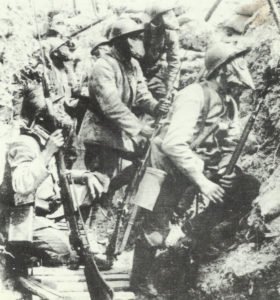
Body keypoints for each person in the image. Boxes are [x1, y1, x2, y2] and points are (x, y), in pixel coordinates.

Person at [130, 42, 261, 297]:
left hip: (198, 167)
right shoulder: (193, 95)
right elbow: (173, 144)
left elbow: (230, 141)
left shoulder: (229, 102)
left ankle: (192, 238)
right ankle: (141, 282)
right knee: (156, 232)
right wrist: (203, 182)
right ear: (222, 71)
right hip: (166, 168)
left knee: (246, 186)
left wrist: (227, 169)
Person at [3, 86, 110, 268]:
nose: (63, 115)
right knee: (63, 250)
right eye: (57, 109)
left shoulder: (43, 140)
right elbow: (21, 184)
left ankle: (72, 245)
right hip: (23, 218)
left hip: (47, 212)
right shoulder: (24, 144)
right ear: (41, 117)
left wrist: (84, 176)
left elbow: (54, 175)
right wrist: (48, 152)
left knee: (94, 184)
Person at [78, 18, 169, 181]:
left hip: (118, 132)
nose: (138, 42)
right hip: (100, 135)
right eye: (133, 38)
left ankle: (110, 193)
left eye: (139, 37)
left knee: (146, 159)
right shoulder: (103, 66)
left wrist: (156, 107)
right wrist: (140, 128)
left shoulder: (133, 64)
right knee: (99, 180)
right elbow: (111, 105)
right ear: (119, 41)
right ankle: (93, 204)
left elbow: (142, 93)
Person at [141, 1, 180, 100]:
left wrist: (172, 86)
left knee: (166, 98)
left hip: (155, 75)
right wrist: (141, 81)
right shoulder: (140, 31)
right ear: (156, 18)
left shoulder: (169, 33)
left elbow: (174, 61)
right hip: (138, 74)